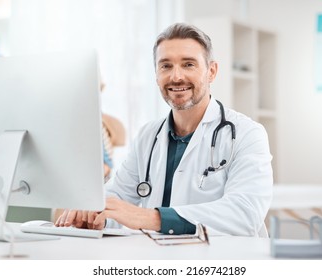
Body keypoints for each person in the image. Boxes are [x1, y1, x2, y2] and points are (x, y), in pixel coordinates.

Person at [55, 23, 273, 237]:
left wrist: (153, 218)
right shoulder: (148, 136)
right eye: (166, 66)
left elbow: (245, 214)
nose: (176, 77)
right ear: (156, 74)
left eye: (188, 64)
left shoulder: (247, 134)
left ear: (211, 71)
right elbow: (118, 198)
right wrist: (92, 214)